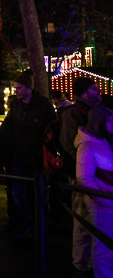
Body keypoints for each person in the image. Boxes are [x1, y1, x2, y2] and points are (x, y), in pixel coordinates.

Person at [0, 68, 56, 237]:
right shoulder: (16, 105)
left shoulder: (43, 105)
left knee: (36, 192)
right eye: (16, 88)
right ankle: (27, 222)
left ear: (29, 88)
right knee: (18, 191)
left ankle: (37, 223)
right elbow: (8, 128)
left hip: (36, 156)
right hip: (19, 156)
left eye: (19, 88)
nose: (16, 91)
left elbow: (52, 130)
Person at [60, 77, 100, 275]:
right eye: (94, 89)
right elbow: (69, 145)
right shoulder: (73, 114)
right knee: (82, 217)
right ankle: (81, 261)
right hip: (82, 172)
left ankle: (87, 260)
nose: (98, 92)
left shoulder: (90, 110)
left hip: (93, 170)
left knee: (91, 216)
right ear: (83, 92)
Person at [74, 105, 113, 278]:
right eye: (110, 121)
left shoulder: (103, 141)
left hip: (106, 200)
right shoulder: (87, 147)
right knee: (104, 246)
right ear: (100, 122)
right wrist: (104, 199)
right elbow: (85, 179)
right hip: (102, 203)